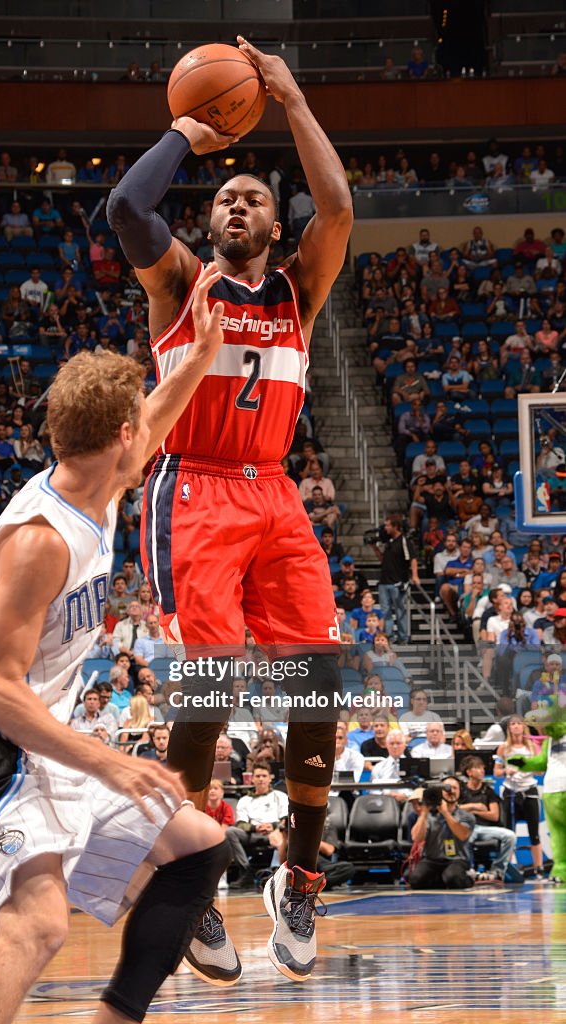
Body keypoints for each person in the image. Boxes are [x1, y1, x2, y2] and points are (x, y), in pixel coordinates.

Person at [0, 269, 236, 1023]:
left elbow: (152, 418)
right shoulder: (39, 542)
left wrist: (198, 355)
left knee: (201, 848)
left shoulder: (102, 478)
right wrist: (110, 762)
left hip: (41, 737)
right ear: (118, 439)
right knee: (39, 922)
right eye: (136, 432)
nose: (146, 440)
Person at [107, 36, 352, 985]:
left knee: (318, 680)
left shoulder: (300, 287)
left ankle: (298, 873)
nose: (238, 203)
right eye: (225, 198)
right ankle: (192, 877)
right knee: (207, 686)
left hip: (273, 493)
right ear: (209, 223)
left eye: (253, 196)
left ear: (270, 221)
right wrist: (184, 133)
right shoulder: (179, 282)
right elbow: (126, 207)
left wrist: (289, 98)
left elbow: (335, 205)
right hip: (193, 484)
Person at [494, 715, 544, 875]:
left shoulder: (531, 746)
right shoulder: (503, 748)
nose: (516, 727)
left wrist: (528, 764)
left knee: (534, 831)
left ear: (523, 727)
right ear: (509, 728)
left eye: (518, 724)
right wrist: (505, 771)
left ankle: (539, 868)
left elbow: (539, 770)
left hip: (529, 790)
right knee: (509, 831)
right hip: (511, 791)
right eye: (512, 724)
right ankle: (508, 868)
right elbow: (496, 772)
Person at [458, 754, 516, 883]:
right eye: (478, 768)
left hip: (485, 829)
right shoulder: (461, 790)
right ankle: (469, 870)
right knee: (464, 838)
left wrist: (475, 813)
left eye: (482, 768)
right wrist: (475, 806)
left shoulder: (488, 791)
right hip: (468, 828)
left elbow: (494, 815)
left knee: (510, 836)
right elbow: (455, 808)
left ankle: (497, 871)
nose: (482, 771)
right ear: (469, 772)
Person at [409, 776, 474, 889]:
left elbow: (463, 835)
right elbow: (417, 838)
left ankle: (468, 878)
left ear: (460, 792)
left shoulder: (466, 816)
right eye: (447, 788)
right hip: (431, 860)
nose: (451, 791)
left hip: (457, 859)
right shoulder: (429, 816)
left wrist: (445, 813)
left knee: (453, 878)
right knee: (416, 880)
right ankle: (441, 879)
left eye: (455, 788)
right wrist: (424, 813)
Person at [370, 513, 419, 645]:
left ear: (395, 526)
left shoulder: (404, 541)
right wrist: (374, 547)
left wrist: (414, 575)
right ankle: (389, 637)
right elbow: (383, 560)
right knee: (385, 612)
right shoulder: (389, 542)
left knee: (400, 611)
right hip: (384, 581)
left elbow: (412, 558)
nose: (385, 528)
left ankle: (403, 637)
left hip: (398, 582)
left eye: (387, 525)